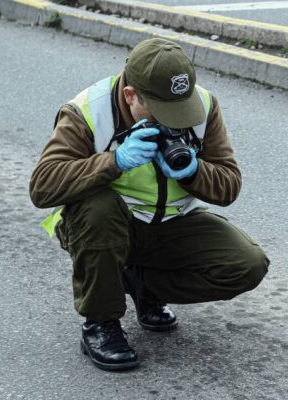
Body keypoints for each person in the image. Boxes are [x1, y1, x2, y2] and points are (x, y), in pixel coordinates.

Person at [29, 38, 270, 370]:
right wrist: (114, 161)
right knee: (98, 209)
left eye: (179, 112)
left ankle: (141, 284)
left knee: (247, 264)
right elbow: (43, 186)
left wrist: (194, 171)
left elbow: (229, 185)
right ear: (131, 96)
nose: (174, 123)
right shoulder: (88, 110)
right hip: (104, 226)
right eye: (162, 115)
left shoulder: (202, 107)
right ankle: (100, 323)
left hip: (168, 226)